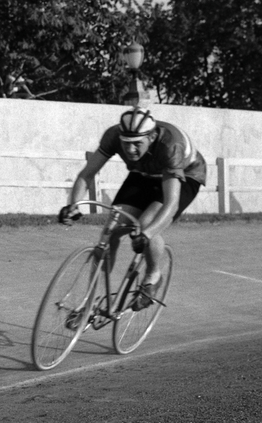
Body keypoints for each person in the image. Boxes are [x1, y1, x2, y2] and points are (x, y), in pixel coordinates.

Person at [59, 107, 206, 309]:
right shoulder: (112, 136)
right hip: (143, 171)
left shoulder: (170, 145)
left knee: (146, 224)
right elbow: (87, 174)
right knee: (111, 229)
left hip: (184, 174)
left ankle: (153, 277)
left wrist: (146, 235)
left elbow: (171, 204)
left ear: (152, 137)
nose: (130, 150)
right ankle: (89, 305)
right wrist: (73, 205)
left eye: (137, 143)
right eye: (126, 144)